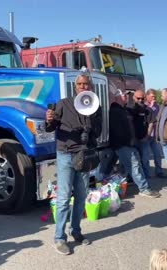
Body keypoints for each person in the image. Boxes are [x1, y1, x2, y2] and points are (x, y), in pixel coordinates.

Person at [45, 73, 102, 255]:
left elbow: (98, 132)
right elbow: (50, 128)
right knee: (63, 198)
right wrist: (49, 119)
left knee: (81, 196)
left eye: (86, 84)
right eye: (80, 84)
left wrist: (90, 126)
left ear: (90, 87)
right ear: (75, 87)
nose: (83, 87)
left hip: (84, 156)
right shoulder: (64, 103)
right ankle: (59, 238)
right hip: (66, 155)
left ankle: (76, 231)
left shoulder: (94, 106)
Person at [109, 89, 160, 198]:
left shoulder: (123, 110)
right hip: (123, 144)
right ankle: (144, 188)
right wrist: (129, 140)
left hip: (129, 143)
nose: (127, 97)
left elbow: (150, 121)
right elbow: (119, 130)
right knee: (134, 165)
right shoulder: (116, 111)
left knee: (135, 164)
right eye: (124, 95)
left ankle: (125, 186)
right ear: (118, 97)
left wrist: (145, 136)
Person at [133, 89, 159, 187]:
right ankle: (132, 179)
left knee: (145, 159)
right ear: (134, 98)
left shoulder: (148, 110)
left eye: (142, 98)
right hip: (133, 140)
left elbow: (151, 122)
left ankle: (147, 178)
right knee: (134, 161)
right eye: (138, 98)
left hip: (144, 140)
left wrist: (147, 136)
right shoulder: (130, 109)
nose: (140, 100)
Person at [145, 88, 166, 178]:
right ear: (147, 96)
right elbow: (147, 117)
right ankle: (146, 173)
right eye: (152, 96)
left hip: (155, 135)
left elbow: (158, 118)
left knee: (157, 154)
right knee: (145, 155)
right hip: (147, 134)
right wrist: (151, 107)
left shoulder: (158, 106)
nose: (154, 98)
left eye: (155, 96)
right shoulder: (145, 106)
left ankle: (159, 171)